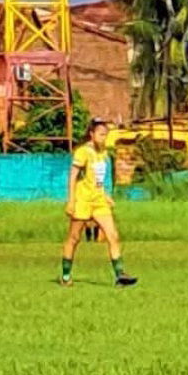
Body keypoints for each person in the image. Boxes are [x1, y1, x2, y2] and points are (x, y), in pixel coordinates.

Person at [60, 118, 137, 288]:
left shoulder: (103, 152)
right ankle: (65, 275)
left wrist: (105, 195)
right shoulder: (82, 152)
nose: (104, 138)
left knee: (113, 235)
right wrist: (71, 201)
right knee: (74, 238)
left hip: (99, 201)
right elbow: (73, 177)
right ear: (92, 134)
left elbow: (98, 178)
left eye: (106, 135)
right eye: (101, 134)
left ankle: (120, 276)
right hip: (83, 200)